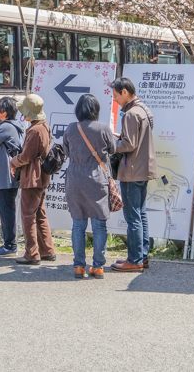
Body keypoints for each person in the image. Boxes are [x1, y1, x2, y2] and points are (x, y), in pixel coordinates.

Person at [63, 94, 117, 279]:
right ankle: (98, 266)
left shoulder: (71, 128)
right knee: (99, 223)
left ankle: (79, 266)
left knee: (78, 224)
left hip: (75, 179)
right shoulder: (103, 128)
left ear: (78, 110)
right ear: (96, 110)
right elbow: (113, 150)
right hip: (97, 178)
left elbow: (66, 151)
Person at [109, 77, 157, 273]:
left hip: (132, 170)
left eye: (116, 95)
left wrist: (111, 145)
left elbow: (129, 144)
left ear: (125, 92)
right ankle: (141, 257)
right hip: (143, 169)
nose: (115, 100)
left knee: (133, 217)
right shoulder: (144, 109)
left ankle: (134, 259)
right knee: (141, 214)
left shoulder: (130, 114)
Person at [9, 94, 56, 265]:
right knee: (39, 214)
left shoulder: (35, 130)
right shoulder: (44, 125)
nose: (23, 115)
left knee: (28, 215)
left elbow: (26, 156)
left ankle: (32, 253)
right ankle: (47, 250)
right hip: (42, 176)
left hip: (32, 177)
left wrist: (13, 161)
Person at [0, 97, 25, 256]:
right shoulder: (14, 126)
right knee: (7, 209)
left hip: (5, 175)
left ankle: (10, 245)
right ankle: (8, 243)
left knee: (7, 210)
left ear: (4, 111)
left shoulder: (6, 127)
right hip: (8, 175)